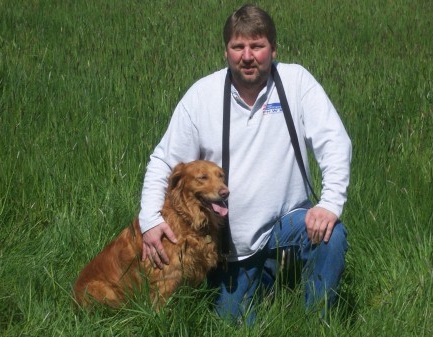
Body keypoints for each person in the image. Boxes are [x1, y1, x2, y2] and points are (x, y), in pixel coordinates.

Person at [138, 4, 351, 325]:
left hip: (288, 228)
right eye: (238, 47)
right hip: (231, 247)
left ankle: (314, 323)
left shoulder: (296, 82)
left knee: (331, 235)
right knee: (232, 323)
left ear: (273, 49)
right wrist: (150, 219)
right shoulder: (202, 96)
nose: (247, 55)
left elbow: (335, 142)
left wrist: (330, 203)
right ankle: (267, 286)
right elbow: (165, 160)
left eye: (257, 46)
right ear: (226, 51)